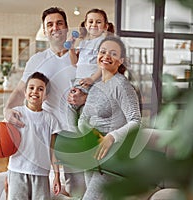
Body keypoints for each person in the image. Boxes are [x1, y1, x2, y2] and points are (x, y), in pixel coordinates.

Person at [0, 7, 86, 199]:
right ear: (44, 31)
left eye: (59, 23)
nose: (55, 28)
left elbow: (95, 91)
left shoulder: (80, 58)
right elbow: (21, 91)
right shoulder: (37, 60)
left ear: (66, 28)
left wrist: (83, 98)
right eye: (49, 24)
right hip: (47, 132)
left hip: (74, 132)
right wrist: (7, 110)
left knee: (79, 188)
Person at [67, 36, 142, 199]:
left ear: (120, 60)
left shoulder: (122, 85)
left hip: (112, 159)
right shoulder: (96, 86)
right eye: (103, 52)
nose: (106, 56)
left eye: (113, 53)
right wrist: (86, 135)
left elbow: (136, 120)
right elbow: (84, 118)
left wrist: (111, 137)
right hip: (92, 157)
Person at [7, 72, 61, 199]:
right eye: (31, 88)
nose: (35, 91)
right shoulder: (16, 114)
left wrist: (57, 176)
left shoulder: (51, 119)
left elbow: (54, 151)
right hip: (17, 170)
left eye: (40, 89)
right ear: (25, 93)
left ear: (46, 95)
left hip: (41, 174)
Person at [68, 8, 115, 94]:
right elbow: (75, 63)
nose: (94, 24)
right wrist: (71, 49)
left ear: (105, 26)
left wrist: (92, 79)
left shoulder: (104, 42)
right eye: (90, 22)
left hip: (94, 83)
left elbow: (104, 65)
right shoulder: (83, 44)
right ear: (86, 25)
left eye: (98, 22)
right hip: (80, 81)